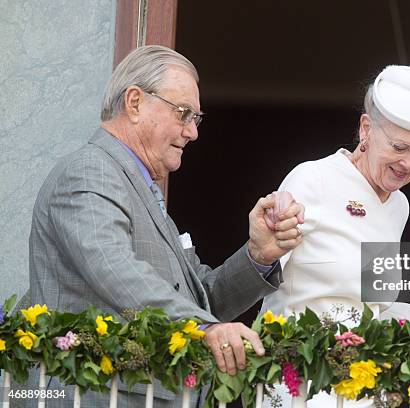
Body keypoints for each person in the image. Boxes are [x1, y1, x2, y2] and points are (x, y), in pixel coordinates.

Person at [28, 45, 304, 407]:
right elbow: (116, 271)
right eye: (184, 113)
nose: (193, 132)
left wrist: (258, 256)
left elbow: (202, 299)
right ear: (135, 102)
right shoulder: (91, 170)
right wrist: (204, 328)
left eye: (196, 118)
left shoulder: (137, 185)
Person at [261, 64, 410, 407]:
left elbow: (372, 308)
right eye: (399, 146)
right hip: (299, 383)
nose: (409, 163)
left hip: (363, 387)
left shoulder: (399, 206)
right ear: (366, 129)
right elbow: (261, 275)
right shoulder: (313, 180)